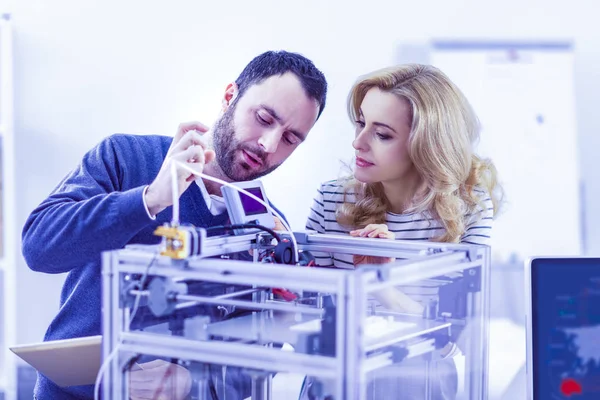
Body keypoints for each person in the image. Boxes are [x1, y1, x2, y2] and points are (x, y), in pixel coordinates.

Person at [22, 50, 327, 400]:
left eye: (290, 139)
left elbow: (263, 351)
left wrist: (195, 382)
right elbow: (39, 248)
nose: (268, 144)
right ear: (230, 97)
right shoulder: (126, 158)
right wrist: (149, 199)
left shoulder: (269, 230)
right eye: (263, 118)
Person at [304, 64, 502, 399]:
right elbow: (309, 318)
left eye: (382, 134)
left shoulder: (470, 210)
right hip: (337, 381)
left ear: (426, 145)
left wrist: (383, 288)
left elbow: (454, 345)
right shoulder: (332, 199)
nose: (358, 142)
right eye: (360, 123)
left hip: (423, 383)